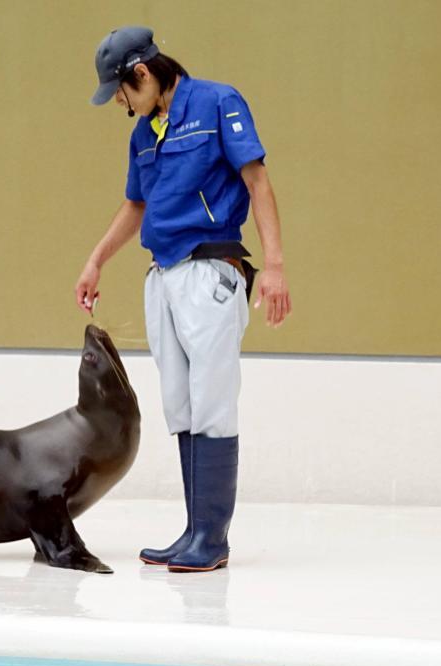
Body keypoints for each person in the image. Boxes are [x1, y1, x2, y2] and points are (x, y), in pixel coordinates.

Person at [75, 26, 291, 573]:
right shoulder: (145, 132)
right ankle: (195, 530)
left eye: (122, 93)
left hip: (210, 270)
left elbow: (257, 179)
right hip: (164, 275)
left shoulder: (218, 102)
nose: (122, 105)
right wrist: (97, 259)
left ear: (141, 73)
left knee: (213, 402)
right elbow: (135, 206)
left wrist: (276, 266)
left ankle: (212, 539)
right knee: (182, 404)